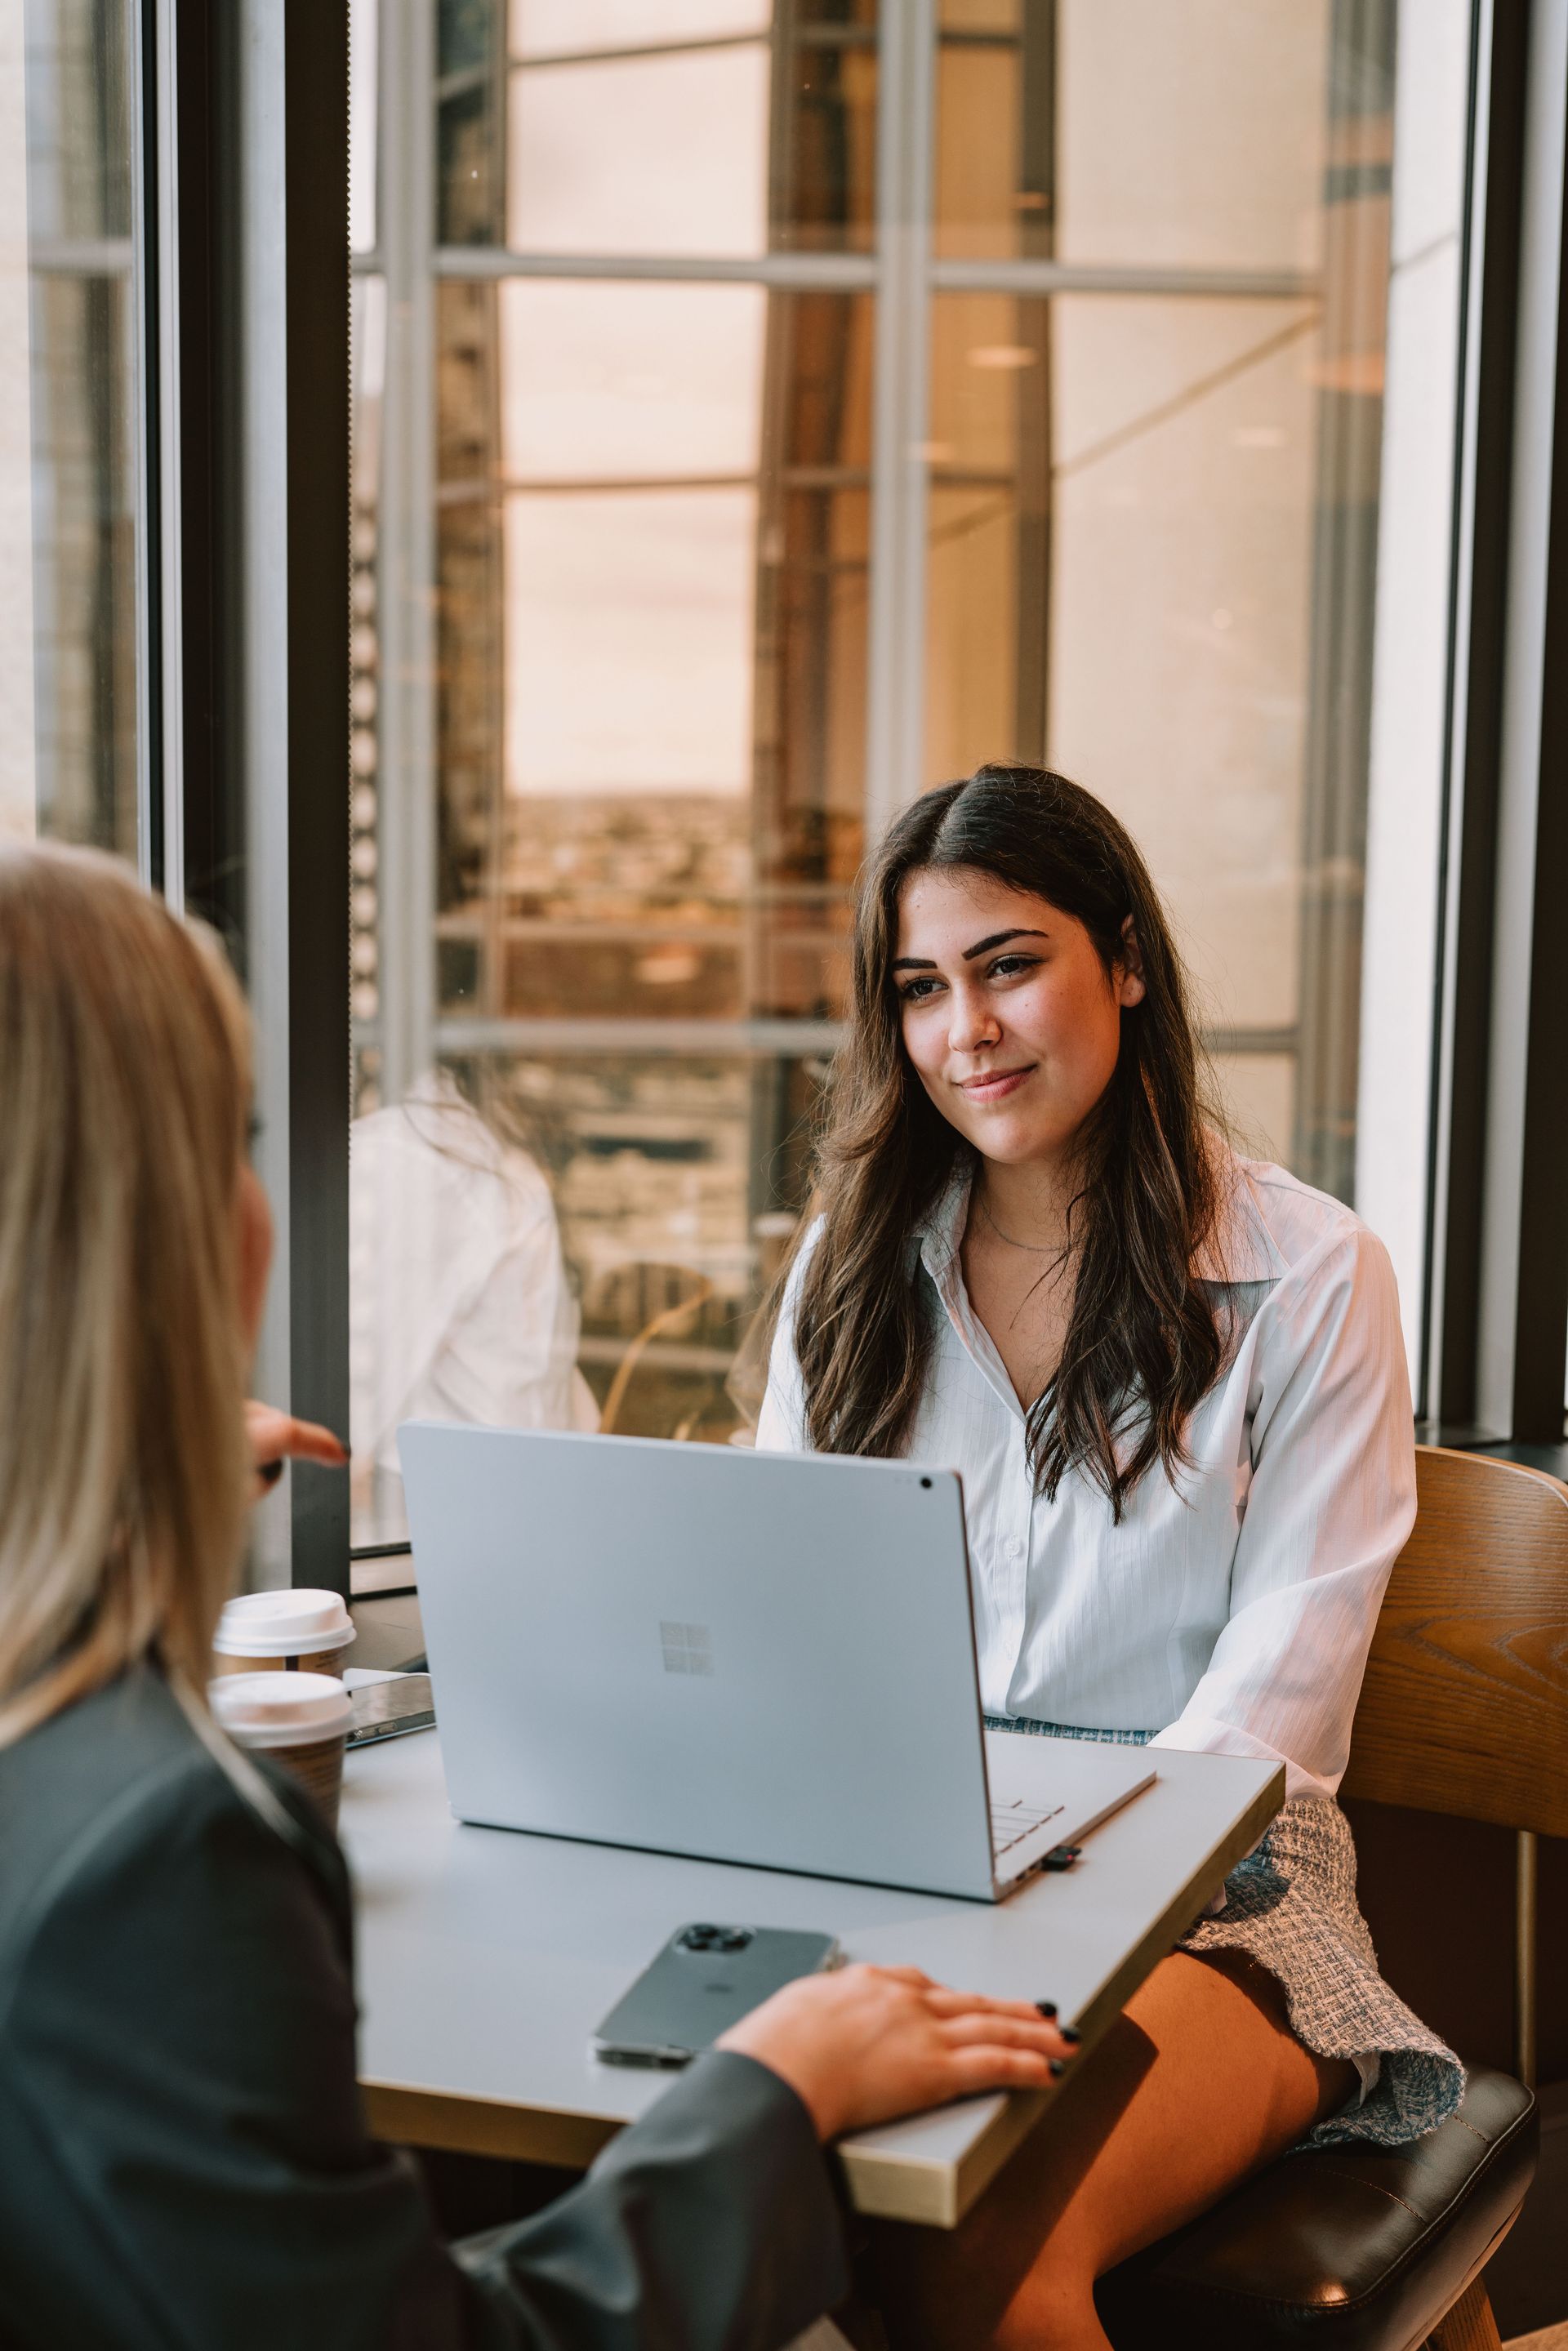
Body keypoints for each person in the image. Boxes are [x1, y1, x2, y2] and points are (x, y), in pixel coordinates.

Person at [0, 840, 1074, 2351]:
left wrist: (123, 1485)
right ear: (154, 1229)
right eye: (235, 1136)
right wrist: (781, 2084)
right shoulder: (159, 1859)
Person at [756, 766, 1461, 2351]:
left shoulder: (1309, 1270)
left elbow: (1282, 1695)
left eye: (1010, 964)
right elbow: (790, 1618)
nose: (967, 1032)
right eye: (920, 989)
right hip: (909, 1879)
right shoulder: (851, 1267)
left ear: (1125, 960)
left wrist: (1050, 1897)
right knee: (717, 2198)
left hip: (1219, 1893)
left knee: (979, 2271)